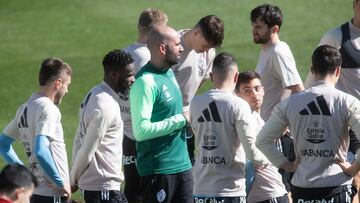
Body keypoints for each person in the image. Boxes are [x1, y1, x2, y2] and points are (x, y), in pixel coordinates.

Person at [256, 45, 360, 202]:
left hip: (302, 189)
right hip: (336, 186)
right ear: (338, 71)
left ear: (312, 70)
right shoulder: (348, 102)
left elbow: (262, 141)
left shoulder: (289, 103)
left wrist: (286, 165)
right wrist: (353, 169)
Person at [190, 52, 268, 203]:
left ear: (212, 76)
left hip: (200, 190)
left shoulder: (196, 102)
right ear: (236, 77)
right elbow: (251, 151)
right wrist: (270, 160)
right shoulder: (239, 105)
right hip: (229, 191)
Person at [303, 1, 360, 202]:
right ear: (354, 4)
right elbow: (315, 77)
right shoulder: (336, 37)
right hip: (348, 127)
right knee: (353, 184)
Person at [129, 25, 192, 203]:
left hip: (183, 166)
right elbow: (141, 131)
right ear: (163, 48)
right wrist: (181, 120)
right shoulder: (145, 82)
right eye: (177, 44)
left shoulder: (169, 74)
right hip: (159, 170)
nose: (181, 48)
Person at [0, 57, 72, 203]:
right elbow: (41, 150)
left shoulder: (24, 108)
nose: (67, 91)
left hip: (34, 193)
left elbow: (3, 144)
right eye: (67, 85)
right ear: (58, 83)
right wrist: (60, 182)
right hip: (53, 194)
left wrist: (27, 175)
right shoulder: (49, 109)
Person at [70, 49, 134, 203]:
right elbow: (87, 149)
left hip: (99, 187)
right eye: (129, 75)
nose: (133, 79)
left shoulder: (93, 94)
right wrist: (72, 180)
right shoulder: (105, 106)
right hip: (103, 189)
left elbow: (78, 138)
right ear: (113, 74)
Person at [121, 8, 168, 203]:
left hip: (126, 132)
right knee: (151, 189)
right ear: (154, 31)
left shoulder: (125, 53)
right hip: (146, 133)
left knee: (132, 187)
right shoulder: (148, 57)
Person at [171, 14, 224, 164]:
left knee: (188, 166)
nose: (207, 50)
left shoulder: (209, 53)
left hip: (187, 117)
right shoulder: (172, 46)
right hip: (166, 117)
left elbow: (199, 81)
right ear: (196, 33)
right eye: (206, 45)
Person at [235, 71, 288, 203]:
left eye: (257, 88)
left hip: (267, 192)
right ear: (238, 95)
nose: (254, 94)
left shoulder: (258, 119)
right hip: (268, 193)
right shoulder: (247, 120)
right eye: (247, 91)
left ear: (263, 90)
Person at [250, 3, 304, 122]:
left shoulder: (278, 53)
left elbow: (298, 89)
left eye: (258, 27)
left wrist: (284, 123)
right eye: (253, 26)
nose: (254, 30)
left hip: (275, 133)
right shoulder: (266, 51)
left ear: (274, 29)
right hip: (265, 127)